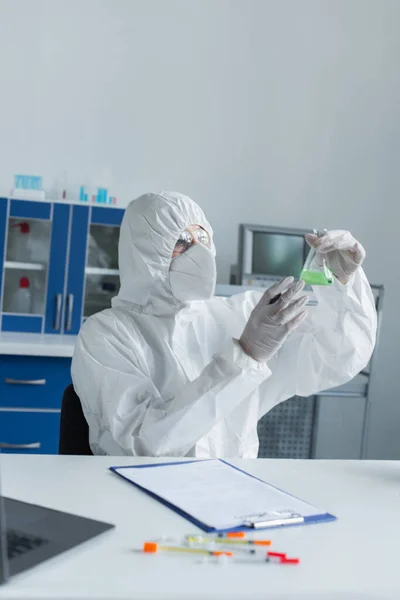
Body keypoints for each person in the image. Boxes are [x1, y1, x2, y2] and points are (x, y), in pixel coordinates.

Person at [71, 192, 377, 457]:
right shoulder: (107, 334)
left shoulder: (242, 314)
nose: (198, 251)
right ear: (144, 252)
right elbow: (139, 445)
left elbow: (336, 358)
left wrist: (343, 285)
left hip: (231, 493)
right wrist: (245, 355)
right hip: (141, 497)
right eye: (181, 241)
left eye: (202, 238)